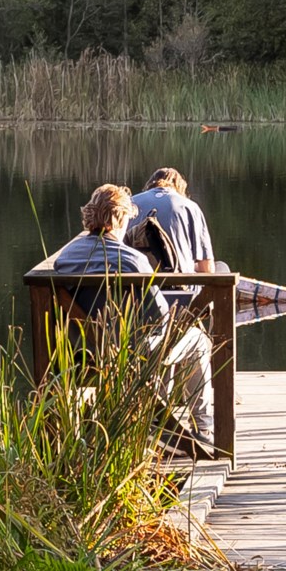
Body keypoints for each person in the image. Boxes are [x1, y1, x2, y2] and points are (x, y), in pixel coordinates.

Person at [43, 183, 216, 454]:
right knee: (197, 340)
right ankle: (202, 430)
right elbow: (159, 318)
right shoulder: (133, 261)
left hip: (86, 353)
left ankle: (149, 429)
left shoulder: (66, 258)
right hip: (130, 354)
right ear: (122, 219)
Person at [124, 168, 213, 272]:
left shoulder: (128, 203)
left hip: (135, 283)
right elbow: (207, 268)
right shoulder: (190, 206)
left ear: (149, 184)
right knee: (221, 267)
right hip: (179, 284)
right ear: (180, 188)